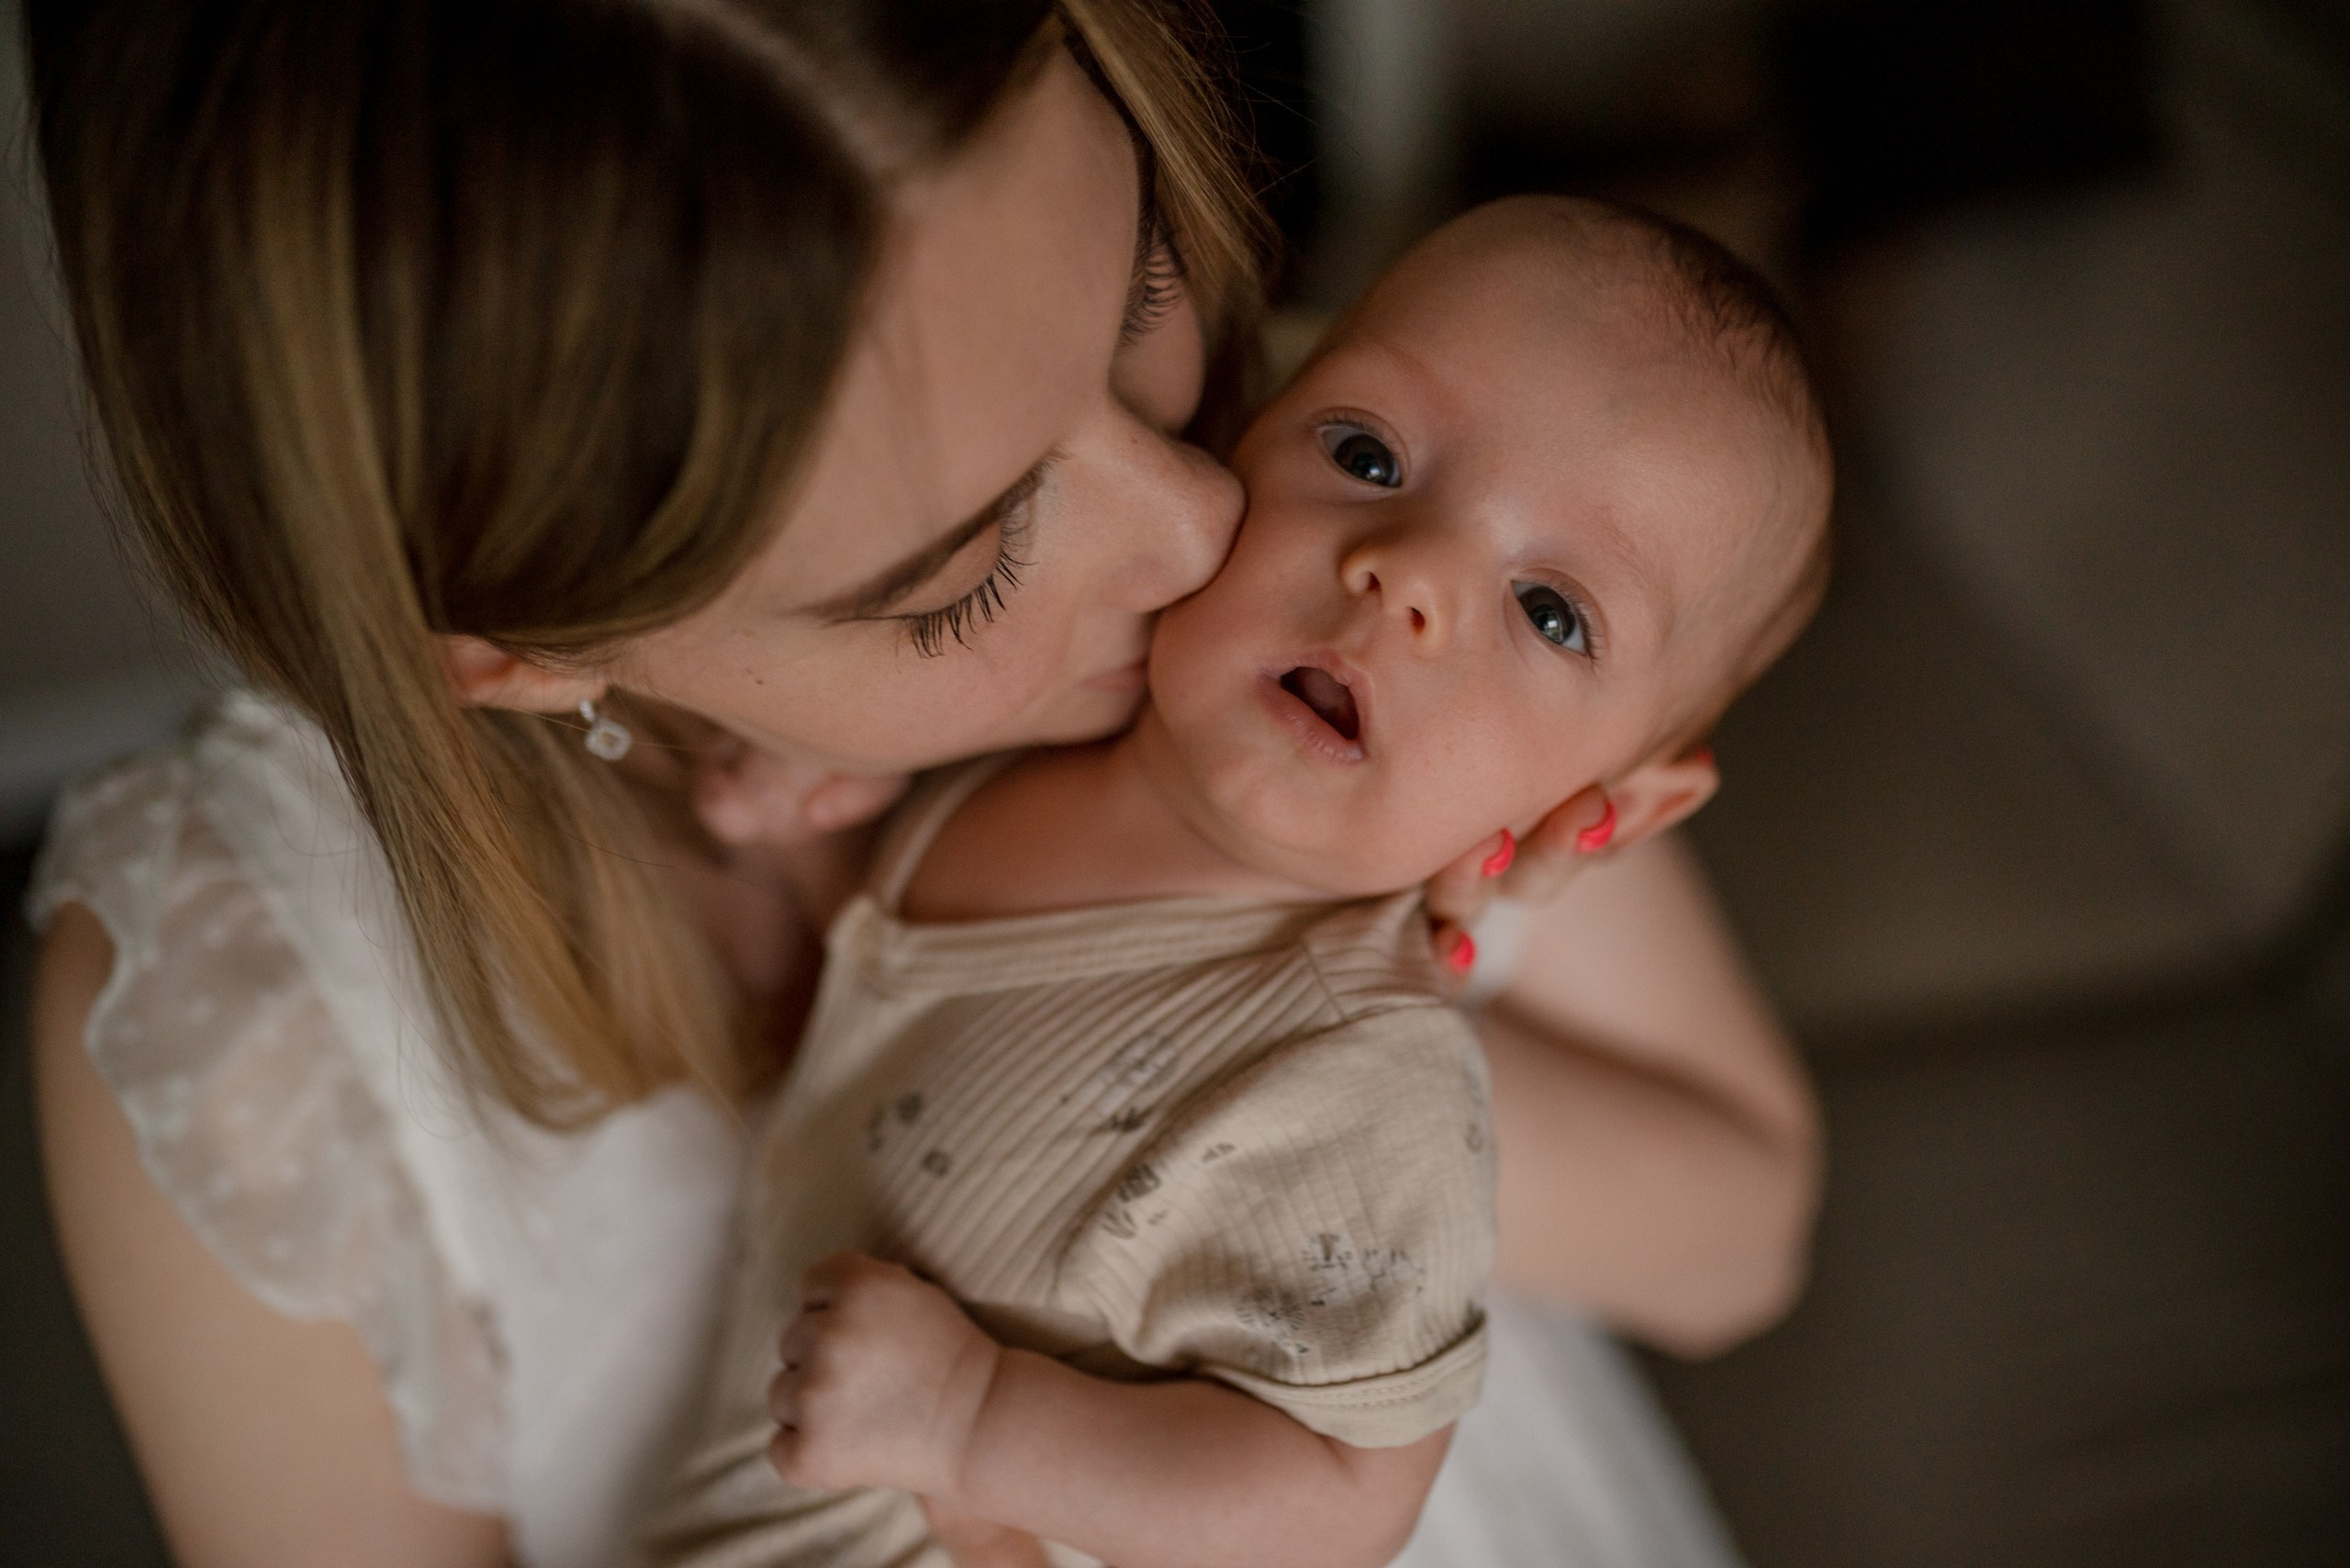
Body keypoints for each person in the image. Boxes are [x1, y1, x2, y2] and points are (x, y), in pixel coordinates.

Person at [19, 3, 1818, 1565]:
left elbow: (1737, 1236)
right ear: (522, 638)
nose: (1193, 520)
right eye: (961, 561)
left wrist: (1292, 965)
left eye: (1133, 295)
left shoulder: (1406, 503)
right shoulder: (237, 1002)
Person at [645, 195, 1832, 1568]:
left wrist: (977, 1420)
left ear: (1607, 812)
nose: (1409, 576)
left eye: (1551, 609)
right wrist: (818, 789)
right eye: (1368, 453)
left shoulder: (1360, 1087)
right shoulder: (1022, 747)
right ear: (1247, 428)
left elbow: (1335, 1499)